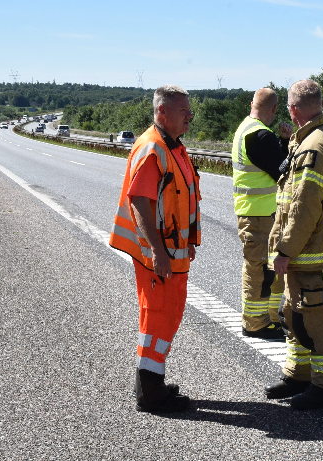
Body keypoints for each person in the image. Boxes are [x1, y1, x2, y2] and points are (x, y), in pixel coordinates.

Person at [264, 79, 323, 409]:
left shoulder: (313, 145)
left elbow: (305, 205)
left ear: (292, 109)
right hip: (306, 247)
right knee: (293, 312)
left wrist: (285, 249)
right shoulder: (312, 138)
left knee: (314, 317)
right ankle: (299, 373)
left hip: (310, 251)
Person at [109, 85, 201, 413]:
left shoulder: (171, 146)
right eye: (183, 110)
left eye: (189, 110)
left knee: (168, 314)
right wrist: (159, 252)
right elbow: (140, 201)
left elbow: (179, 199)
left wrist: (187, 242)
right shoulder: (153, 148)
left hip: (171, 253)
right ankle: (150, 392)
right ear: (162, 112)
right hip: (158, 257)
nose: (190, 115)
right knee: (158, 317)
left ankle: (152, 382)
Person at [232, 88, 292, 340]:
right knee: (258, 269)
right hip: (259, 214)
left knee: (266, 269)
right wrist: (290, 143)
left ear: (251, 104)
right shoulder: (260, 135)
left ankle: (268, 317)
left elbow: (267, 162)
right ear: (274, 109)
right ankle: (255, 323)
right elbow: (282, 170)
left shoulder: (245, 127)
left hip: (254, 211)